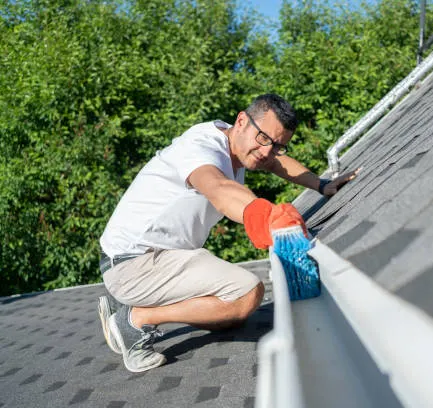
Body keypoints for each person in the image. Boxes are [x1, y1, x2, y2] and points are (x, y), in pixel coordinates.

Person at [97, 94, 358, 372]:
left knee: (231, 318)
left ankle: (133, 301)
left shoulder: (241, 143)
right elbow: (218, 188)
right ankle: (134, 320)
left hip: (156, 258)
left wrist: (321, 184)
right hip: (134, 262)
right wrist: (269, 218)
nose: (268, 151)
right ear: (242, 120)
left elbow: (275, 163)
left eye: (278, 146)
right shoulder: (201, 147)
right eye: (264, 139)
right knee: (246, 295)